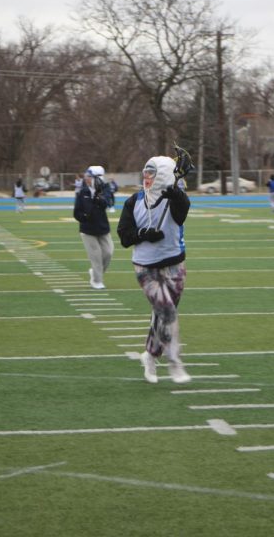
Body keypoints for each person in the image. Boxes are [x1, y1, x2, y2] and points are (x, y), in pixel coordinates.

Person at [117, 155, 191, 385]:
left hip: (174, 265)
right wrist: (144, 234)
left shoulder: (175, 199)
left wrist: (175, 192)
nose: (147, 177)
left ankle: (150, 355)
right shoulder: (134, 201)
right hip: (145, 267)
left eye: (152, 173)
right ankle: (174, 362)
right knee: (167, 312)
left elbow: (182, 212)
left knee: (162, 317)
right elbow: (124, 236)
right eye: (145, 172)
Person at [74, 165, 114, 290]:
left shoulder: (105, 189)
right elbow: (77, 212)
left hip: (102, 228)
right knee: (96, 256)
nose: (87, 178)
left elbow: (107, 204)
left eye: (90, 176)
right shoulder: (83, 191)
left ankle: (96, 273)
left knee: (108, 253)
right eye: (87, 176)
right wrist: (84, 218)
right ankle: (97, 281)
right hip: (87, 230)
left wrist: (97, 195)